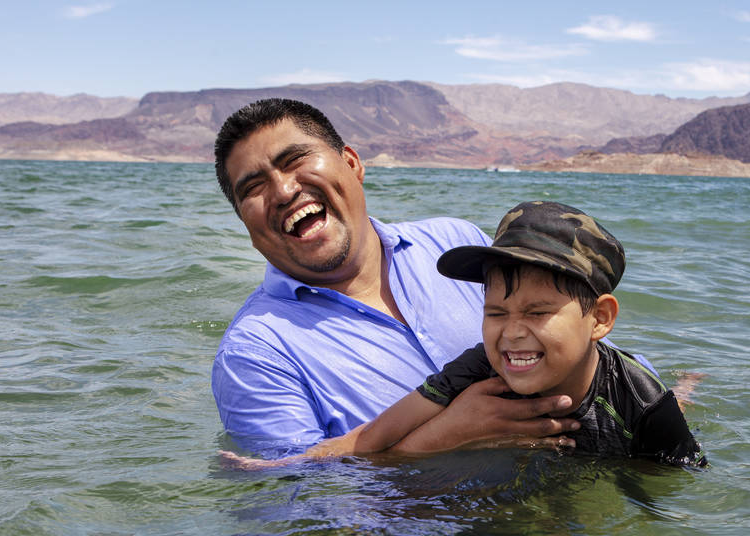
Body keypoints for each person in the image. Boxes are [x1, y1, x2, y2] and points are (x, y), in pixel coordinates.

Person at [212, 99, 582, 458]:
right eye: (253, 188)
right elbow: (298, 501)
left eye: (294, 160)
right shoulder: (252, 354)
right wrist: (443, 440)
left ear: (352, 163)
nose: (283, 191)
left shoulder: (455, 243)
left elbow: (582, 346)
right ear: (244, 220)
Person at [223, 201, 706, 469]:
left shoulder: (641, 401)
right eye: (495, 311)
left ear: (599, 319)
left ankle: (685, 387)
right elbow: (375, 435)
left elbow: (680, 487)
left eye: (537, 312)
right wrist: (284, 466)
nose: (513, 334)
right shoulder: (478, 367)